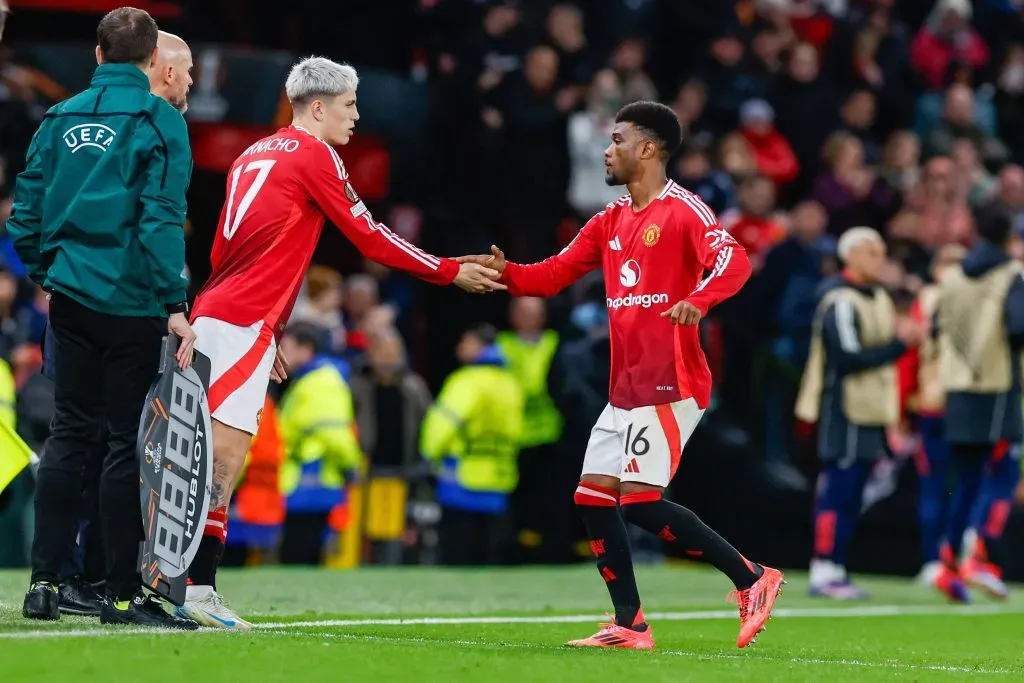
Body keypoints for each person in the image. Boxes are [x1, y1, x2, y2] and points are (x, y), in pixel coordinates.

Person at [177, 56, 504, 629]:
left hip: (222, 313)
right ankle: (197, 588)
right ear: (319, 107)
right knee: (222, 458)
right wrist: (448, 270)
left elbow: (228, 249)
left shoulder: (253, 151)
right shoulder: (314, 153)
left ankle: (174, 580)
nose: (357, 116)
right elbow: (370, 237)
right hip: (240, 322)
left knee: (199, 449)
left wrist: (268, 329)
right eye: (350, 105)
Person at [458, 101, 784, 650]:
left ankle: (753, 579)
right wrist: (506, 274)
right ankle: (629, 624)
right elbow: (553, 274)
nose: (607, 150)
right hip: (625, 389)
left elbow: (735, 260)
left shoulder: (683, 211)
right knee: (591, 497)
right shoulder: (609, 220)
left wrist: (699, 300)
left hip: (671, 381)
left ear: (648, 149)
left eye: (617, 140)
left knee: (638, 502)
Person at [8, 7, 197, 629]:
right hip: (134, 302)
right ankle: (119, 596)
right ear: (151, 63)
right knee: (122, 446)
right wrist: (175, 302)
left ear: (96, 54)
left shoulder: (58, 117)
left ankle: (44, 585)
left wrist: (50, 275)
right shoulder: (158, 118)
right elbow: (161, 216)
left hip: (70, 303)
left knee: (67, 438)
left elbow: (25, 215)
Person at [795, 227, 925, 600]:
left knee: (854, 494)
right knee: (838, 490)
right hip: (845, 407)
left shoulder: (877, 297)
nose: (879, 259)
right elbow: (847, 359)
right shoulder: (839, 300)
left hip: (872, 410)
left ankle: (836, 566)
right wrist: (900, 344)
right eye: (871, 251)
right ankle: (823, 567)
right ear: (850, 255)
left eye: (881, 251)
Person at [936, 207, 1024, 599]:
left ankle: (949, 564)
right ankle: (979, 555)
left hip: (957, 386)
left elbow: (936, 325)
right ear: (1009, 236)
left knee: (967, 479)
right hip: (996, 385)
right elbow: (1018, 327)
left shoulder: (953, 275)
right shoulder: (1012, 274)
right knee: (1002, 474)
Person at [897, 244, 970, 602]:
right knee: (956, 485)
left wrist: (900, 407)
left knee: (938, 486)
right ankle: (949, 559)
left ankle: (938, 561)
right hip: (964, 405)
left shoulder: (925, 299)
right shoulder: (979, 296)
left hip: (936, 404)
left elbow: (910, 357)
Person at [420, 324, 525, 566]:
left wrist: (428, 455)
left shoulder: (466, 381)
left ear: (481, 346)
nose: (460, 347)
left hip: (463, 474)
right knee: (489, 551)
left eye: (466, 341)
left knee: (458, 551)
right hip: (501, 474)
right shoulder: (510, 383)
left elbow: (443, 423)